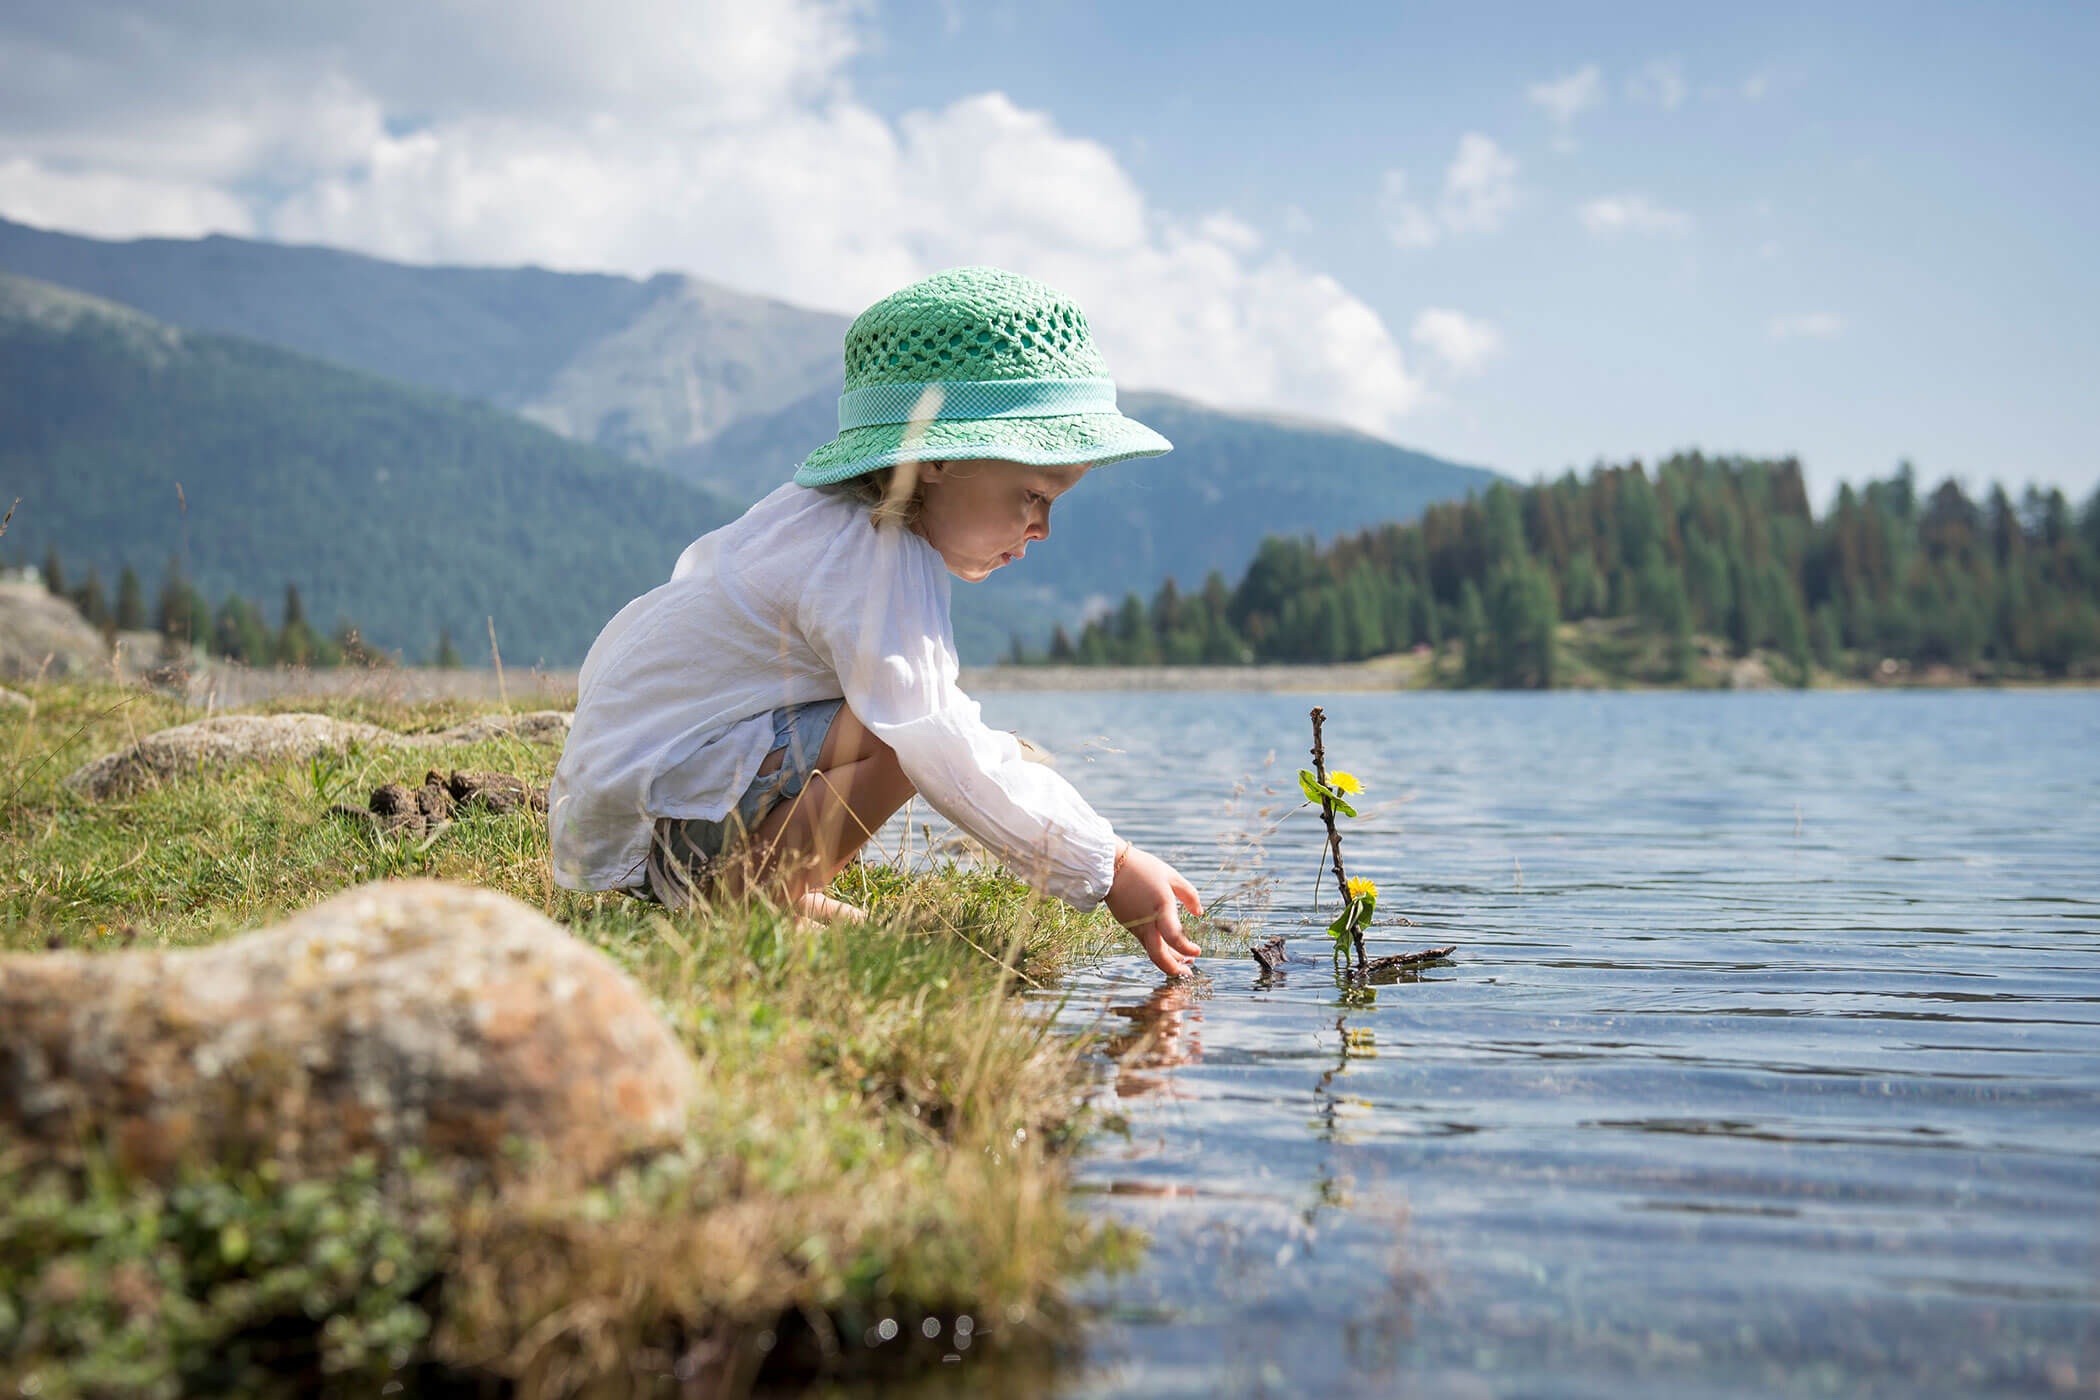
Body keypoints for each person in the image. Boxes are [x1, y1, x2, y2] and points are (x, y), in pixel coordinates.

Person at [548, 266, 1205, 977]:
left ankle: (764, 889)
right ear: (940, 459)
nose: (1043, 526)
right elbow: (938, 742)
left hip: (636, 798)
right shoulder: (872, 555)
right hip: (655, 808)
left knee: (901, 721)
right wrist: (1109, 865)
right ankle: (752, 900)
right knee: (907, 738)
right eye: (1031, 494)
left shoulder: (826, 525)